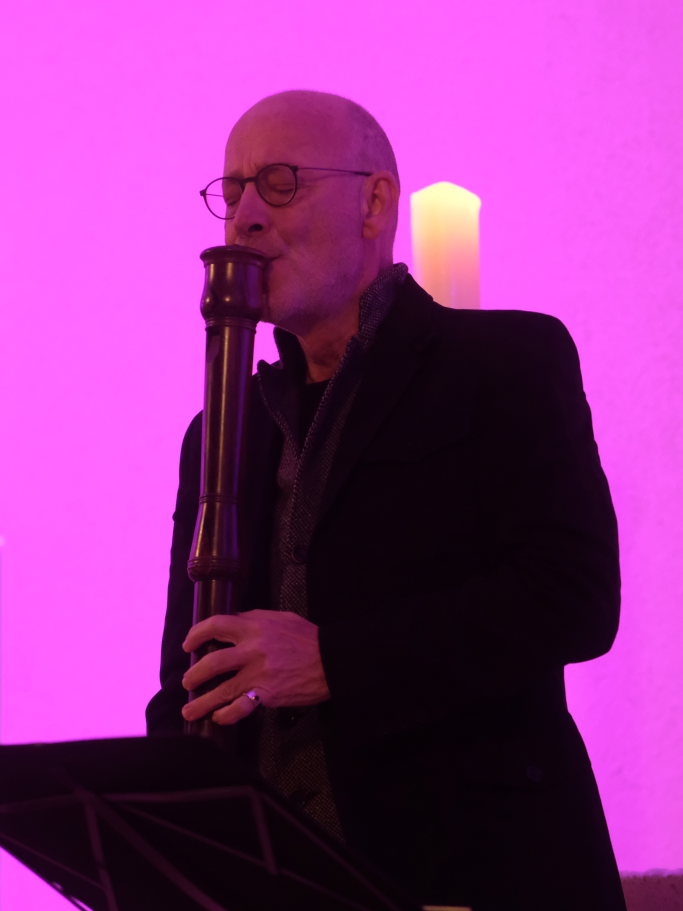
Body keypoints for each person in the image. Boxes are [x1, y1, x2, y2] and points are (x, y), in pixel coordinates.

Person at [146, 90, 626, 910]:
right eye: (233, 191)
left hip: (473, 877)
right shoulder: (221, 431)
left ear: (374, 203)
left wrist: (336, 659)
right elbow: (190, 674)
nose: (245, 217)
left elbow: (572, 599)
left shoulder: (507, 364)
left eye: (281, 183)